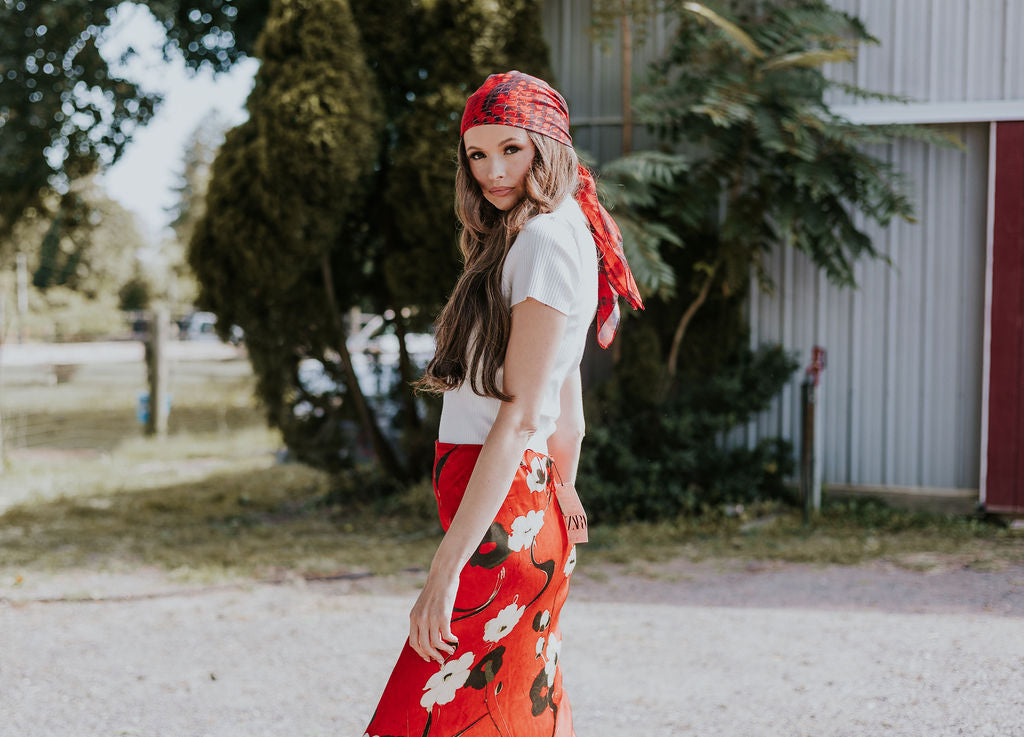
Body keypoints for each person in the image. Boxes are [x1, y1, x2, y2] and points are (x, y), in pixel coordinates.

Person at [361, 70, 644, 737]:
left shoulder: (542, 241)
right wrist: (562, 492)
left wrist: (445, 568)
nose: (493, 170)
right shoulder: (557, 230)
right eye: (478, 154)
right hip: (525, 503)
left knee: (427, 719)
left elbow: (520, 413)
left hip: (503, 509)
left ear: (548, 146)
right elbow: (564, 401)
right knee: (510, 716)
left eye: (511, 149)